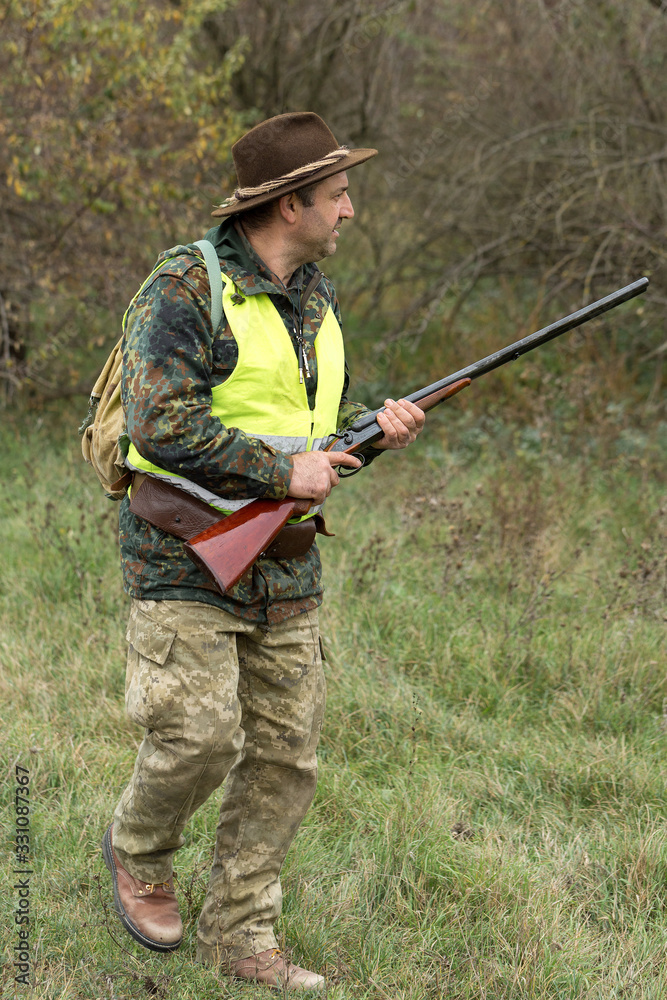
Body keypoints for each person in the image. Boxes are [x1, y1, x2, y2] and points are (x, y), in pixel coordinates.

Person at [102, 111, 425, 991]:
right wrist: (285, 469)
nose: (350, 210)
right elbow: (159, 425)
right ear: (288, 204)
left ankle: (240, 941)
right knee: (199, 737)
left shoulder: (313, 297)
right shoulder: (184, 286)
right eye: (338, 193)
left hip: (284, 558)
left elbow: (308, 428)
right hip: (183, 552)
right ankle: (138, 850)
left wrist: (370, 435)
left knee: (286, 758)